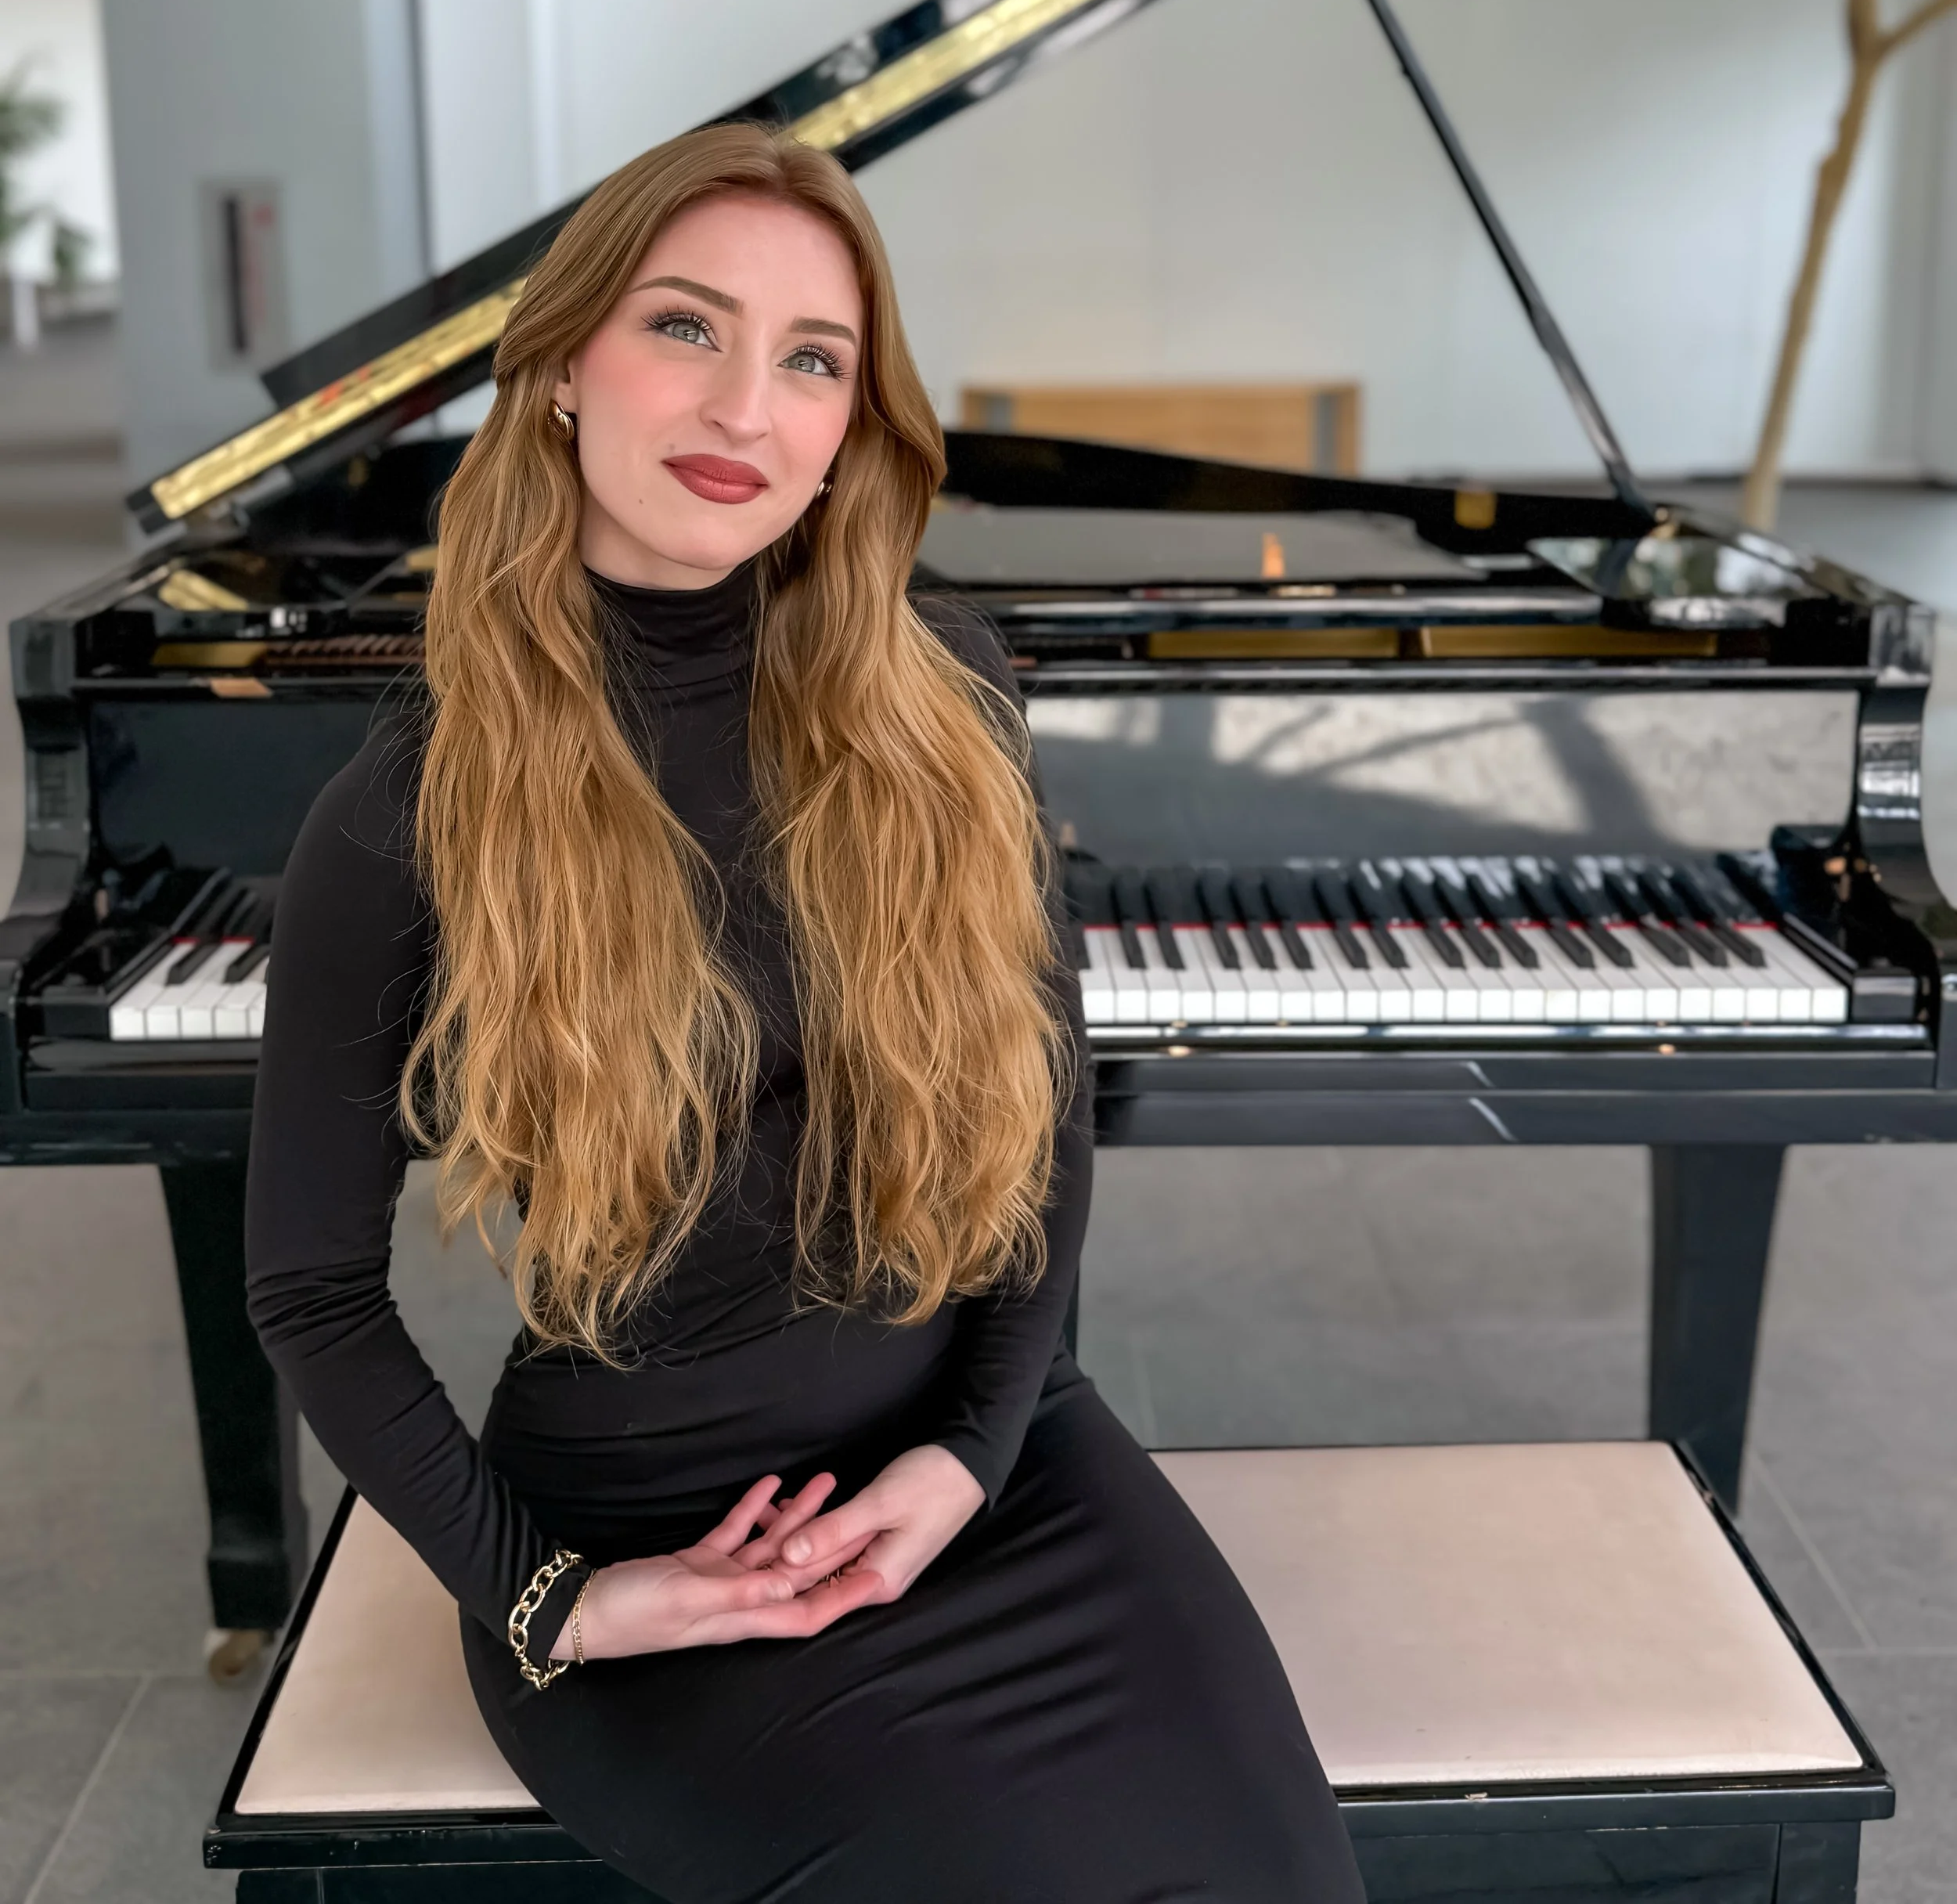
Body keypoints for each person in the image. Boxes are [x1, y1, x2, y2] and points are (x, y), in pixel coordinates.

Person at [246, 122, 1364, 1904]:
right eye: (683, 327)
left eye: (810, 359)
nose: (743, 408)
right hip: (647, 1541)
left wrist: (967, 1450)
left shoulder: (946, 701)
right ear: (557, 367)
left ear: (854, 424)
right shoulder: (405, 809)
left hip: (993, 1474)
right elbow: (305, 1284)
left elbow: (1044, 1115)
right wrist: (554, 1595)